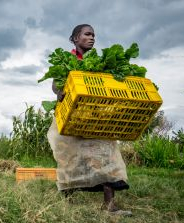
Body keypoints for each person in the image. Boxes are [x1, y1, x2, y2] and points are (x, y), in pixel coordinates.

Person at [47, 24, 132, 216]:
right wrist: (60, 93)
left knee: (106, 156)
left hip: (95, 117)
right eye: (87, 34)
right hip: (71, 117)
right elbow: (55, 85)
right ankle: (67, 205)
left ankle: (109, 206)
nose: (92, 38)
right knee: (69, 159)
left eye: (94, 35)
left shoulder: (100, 62)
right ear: (76, 38)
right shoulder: (66, 59)